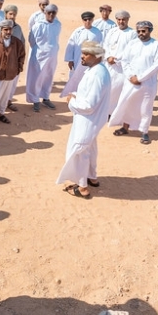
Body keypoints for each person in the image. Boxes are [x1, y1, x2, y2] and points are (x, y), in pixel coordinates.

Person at [57, 41, 111, 198]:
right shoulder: (97, 70)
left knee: (79, 151)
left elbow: (89, 105)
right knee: (89, 149)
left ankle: (82, 187)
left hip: (87, 120)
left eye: (86, 54)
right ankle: (92, 177)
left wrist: (71, 101)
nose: (82, 56)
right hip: (90, 120)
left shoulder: (97, 74)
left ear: (96, 56)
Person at [108, 20, 158, 144]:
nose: (141, 33)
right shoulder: (132, 44)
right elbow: (125, 61)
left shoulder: (157, 45)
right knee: (127, 104)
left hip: (148, 84)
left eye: (143, 31)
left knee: (145, 109)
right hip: (130, 82)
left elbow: (156, 65)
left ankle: (144, 132)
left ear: (150, 31)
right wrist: (130, 76)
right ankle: (125, 127)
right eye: (138, 31)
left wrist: (140, 78)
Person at [26, 3, 62, 111]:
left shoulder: (57, 24)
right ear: (45, 13)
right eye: (49, 12)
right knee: (36, 77)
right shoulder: (38, 25)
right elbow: (31, 41)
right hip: (39, 56)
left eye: (53, 13)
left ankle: (45, 98)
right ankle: (35, 100)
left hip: (52, 56)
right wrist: (41, 50)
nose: (51, 15)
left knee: (49, 77)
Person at [60, 11, 104, 98]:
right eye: (85, 19)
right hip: (78, 60)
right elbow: (71, 45)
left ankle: (87, 97)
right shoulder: (78, 32)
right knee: (76, 78)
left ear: (92, 20)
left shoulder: (97, 32)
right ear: (82, 20)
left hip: (92, 61)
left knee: (90, 78)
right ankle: (74, 96)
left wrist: (99, 60)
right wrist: (70, 60)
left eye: (89, 19)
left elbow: (101, 46)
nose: (87, 21)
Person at [102, 10, 137, 114]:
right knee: (107, 88)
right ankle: (106, 112)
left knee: (118, 90)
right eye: (119, 19)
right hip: (109, 65)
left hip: (122, 68)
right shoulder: (112, 31)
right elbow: (105, 45)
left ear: (127, 20)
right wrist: (108, 56)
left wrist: (116, 59)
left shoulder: (133, 34)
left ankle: (115, 113)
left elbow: (131, 50)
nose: (121, 22)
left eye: (123, 20)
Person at [2, 4, 27, 112]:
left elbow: (22, 42)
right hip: (2, 61)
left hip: (14, 61)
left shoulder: (18, 28)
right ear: (6, 14)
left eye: (14, 14)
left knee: (13, 83)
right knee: (1, 83)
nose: (12, 16)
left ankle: (8, 101)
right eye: (10, 14)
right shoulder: (0, 27)